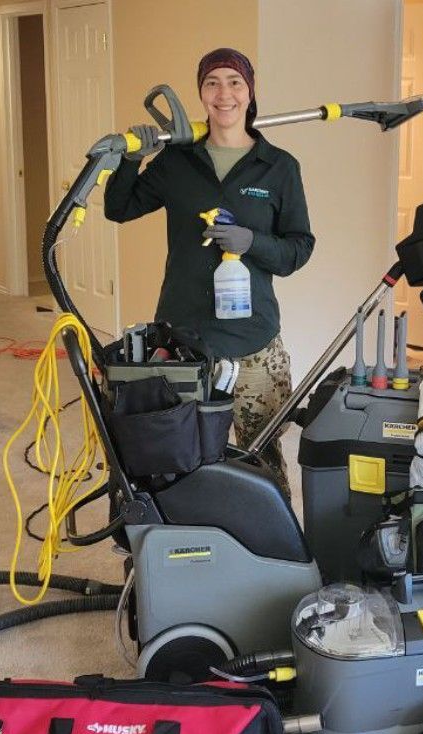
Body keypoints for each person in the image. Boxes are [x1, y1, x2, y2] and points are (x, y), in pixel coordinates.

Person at [104, 47, 314, 499]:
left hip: (253, 344)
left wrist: (252, 243)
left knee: (262, 458)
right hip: (184, 339)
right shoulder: (178, 162)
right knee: (178, 456)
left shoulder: (278, 168)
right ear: (201, 93)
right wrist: (130, 158)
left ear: (250, 91)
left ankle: (271, 549)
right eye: (212, 82)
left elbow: (299, 249)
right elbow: (118, 208)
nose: (224, 93)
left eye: (234, 82)